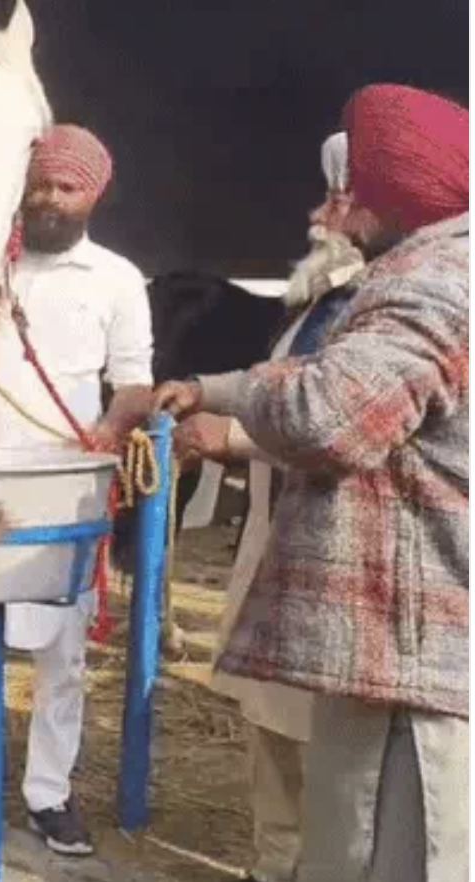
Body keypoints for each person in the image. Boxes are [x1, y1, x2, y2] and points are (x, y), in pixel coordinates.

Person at [155, 83, 468, 882]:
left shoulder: (436, 276)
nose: (341, 208)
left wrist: (227, 413)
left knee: (381, 856)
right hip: (400, 641)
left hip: (409, 655)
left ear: (399, 188)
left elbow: (331, 412)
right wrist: (218, 387)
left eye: (357, 186)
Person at [0, 124, 154, 855]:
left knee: (63, 657)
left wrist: (112, 430)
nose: (51, 199)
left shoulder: (117, 278)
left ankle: (49, 795)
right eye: (42, 183)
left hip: (66, 491)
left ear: (94, 195)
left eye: (67, 187)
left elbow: (135, 381)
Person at [173, 132, 365, 882]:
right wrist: (204, 392)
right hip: (275, 559)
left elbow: (341, 420)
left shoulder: (395, 313)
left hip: (341, 574)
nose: (319, 213)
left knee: (332, 765)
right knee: (272, 738)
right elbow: (273, 382)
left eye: (338, 197)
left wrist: (231, 434)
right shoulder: (318, 303)